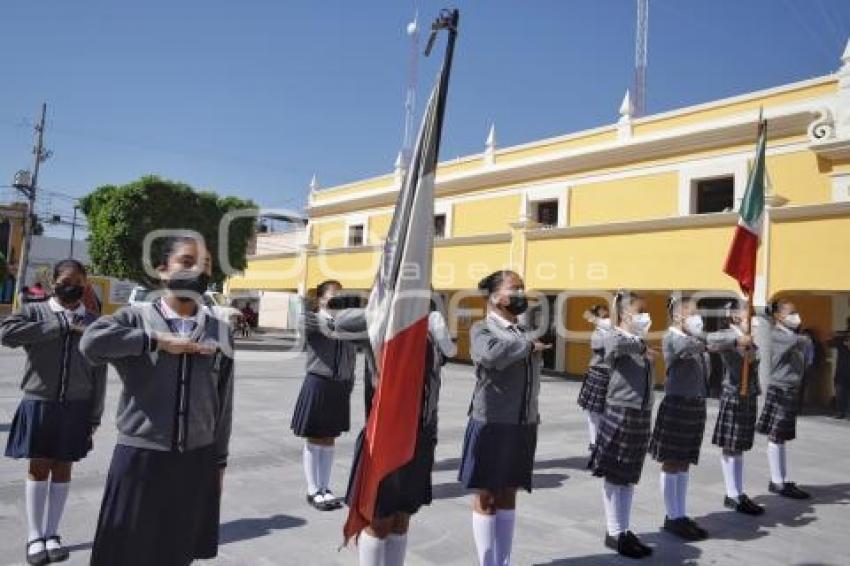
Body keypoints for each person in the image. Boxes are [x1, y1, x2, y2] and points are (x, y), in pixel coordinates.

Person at [80, 236, 234, 566]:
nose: (198, 271)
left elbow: (224, 401)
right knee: (127, 552)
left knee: (177, 550)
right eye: (187, 262)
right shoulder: (135, 318)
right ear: (163, 271)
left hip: (196, 458)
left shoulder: (220, 330)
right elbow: (91, 343)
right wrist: (156, 341)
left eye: (205, 266)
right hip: (141, 457)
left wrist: (218, 462)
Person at [1, 259, 106, 565]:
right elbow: (7, 334)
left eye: (77, 280)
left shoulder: (94, 322)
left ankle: (52, 532)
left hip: (77, 405)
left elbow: (99, 372)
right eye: (64, 280)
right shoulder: (35, 311)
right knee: (39, 466)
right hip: (40, 402)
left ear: (86, 284)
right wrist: (59, 325)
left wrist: (94, 415)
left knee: (63, 468)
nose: (70, 285)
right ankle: (35, 535)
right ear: (53, 283)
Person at [348, 301, 457, 566]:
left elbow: (449, 354)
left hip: (422, 434)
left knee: (402, 516)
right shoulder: (384, 326)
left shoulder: (430, 331)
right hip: (388, 437)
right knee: (379, 519)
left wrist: (437, 330)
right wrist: (382, 309)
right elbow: (339, 324)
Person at [459, 270, 549, 566]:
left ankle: (503, 561)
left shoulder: (522, 331)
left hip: (523, 422)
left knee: (510, 493)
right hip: (492, 422)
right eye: (515, 289)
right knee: (487, 495)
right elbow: (489, 356)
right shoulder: (482, 328)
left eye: (523, 288)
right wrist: (527, 347)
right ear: (496, 296)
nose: (521, 294)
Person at [590, 290, 657, 559]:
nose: (646, 316)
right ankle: (613, 531)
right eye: (641, 310)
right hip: (620, 408)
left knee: (629, 475)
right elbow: (613, 346)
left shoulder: (638, 339)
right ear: (627, 313)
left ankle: (625, 529)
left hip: (640, 411)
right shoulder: (613, 335)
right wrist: (640, 347)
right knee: (615, 472)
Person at [293, 280, 358, 511]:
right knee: (314, 436)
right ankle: (312, 489)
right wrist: (330, 313)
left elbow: (352, 357)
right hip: (318, 382)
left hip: (339, 386)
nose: (338, 299)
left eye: (341, 295)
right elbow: (307, 323)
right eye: (333, 295)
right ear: (321, 299)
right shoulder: (313, 319)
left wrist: (349, 382)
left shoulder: (346, 324)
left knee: (330, 438)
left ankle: (325, 486)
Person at [649, 297, 709, 541]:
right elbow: (688, 349)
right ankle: (671, 516)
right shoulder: (672, 338)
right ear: (677, 316)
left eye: (697, 313)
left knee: (684, 461)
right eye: (692, 313)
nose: (697, 318)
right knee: (672, 461)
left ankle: (680, 514)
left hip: (695, 403)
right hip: (677, 403)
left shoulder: (694, 340)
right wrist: (711, 340)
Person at [706, 301, 765, 515]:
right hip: (733, 394)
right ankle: (732, 493)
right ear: (733, 315)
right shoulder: (727, 334)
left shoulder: (750, 337)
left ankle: (738, 492)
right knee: (731, 445)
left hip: (748, 395)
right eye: (747, 313)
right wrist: (737, 340)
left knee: (739, 446)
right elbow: (710, 341)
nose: (752, 318)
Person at [756, 299, 812, 500]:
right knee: (777, 434)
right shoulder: (778, 335)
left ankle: (780, 478)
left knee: (782, 436)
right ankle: (777, 481)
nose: (796, 316)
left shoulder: (792, 335)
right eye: (792, 312)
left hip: (790, 387)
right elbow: (803, 342)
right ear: (778, 316)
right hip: (780, 388)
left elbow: (807, 351)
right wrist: (805, 338)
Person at [576, 304, 613, 452]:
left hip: (609, 374)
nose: (607, 317)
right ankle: (594, 442)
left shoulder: (611, 329)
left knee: (605, 411)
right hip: (598, 373)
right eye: (603, 315)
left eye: (607, 314)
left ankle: (603, 440)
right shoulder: (598, 333)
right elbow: (603, 345)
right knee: (593, 411)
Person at [828, 318, 850, 419]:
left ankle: (841, 412)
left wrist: (833, 336)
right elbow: (830, 343)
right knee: (841, 391)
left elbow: (829, 343)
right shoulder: (841, 338)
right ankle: (842, 412)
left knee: (841, 391)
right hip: (842, 370)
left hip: (842, 370)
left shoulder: (841, 337)